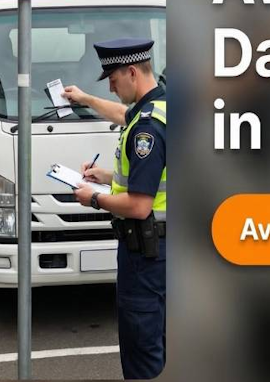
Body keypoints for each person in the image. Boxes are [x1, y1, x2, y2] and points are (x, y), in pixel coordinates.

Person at [66, 38, 167, 379]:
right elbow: (151, 173)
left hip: (146, 254)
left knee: (142, 352)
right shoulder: (162, 108)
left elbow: (139, 205)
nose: (111, 87)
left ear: (132, 72)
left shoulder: (147, 130)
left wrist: (93, 197)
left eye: (113, 80)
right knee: (158, 341)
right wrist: (106, 176)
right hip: (163, 250)